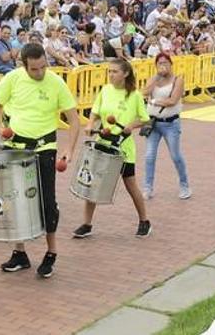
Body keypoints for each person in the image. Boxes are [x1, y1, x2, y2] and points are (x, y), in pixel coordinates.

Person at [0, 43, 80, 277]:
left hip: (45, 147)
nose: (40, 73)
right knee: (14, 199)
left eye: (43, 67)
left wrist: (69, 150)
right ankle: (19, 252)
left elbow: (73, 118)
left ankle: (51, 252)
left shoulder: (56, 83)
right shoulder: (12, 78)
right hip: (16, 146)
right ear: (23, 65)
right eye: (34, 69)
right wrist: (0, 126)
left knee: (47, 202)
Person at [76, 58, 151, 238]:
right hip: (102, 142)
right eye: (109, 71)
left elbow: (145, 119)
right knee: (92, 183)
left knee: (130, 185)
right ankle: (87, 224)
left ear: (125, 74)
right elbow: (95, 111)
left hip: (123, 146)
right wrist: (90, 124)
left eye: (115, 72)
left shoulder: (134, 95)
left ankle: (144, 221)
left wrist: (131, 126)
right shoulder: (105, 90)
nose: (110, 75)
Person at [141, 53, 191, 200]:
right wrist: (156, 78)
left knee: (176, 156)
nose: (162, 66)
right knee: (149, 156)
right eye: (159, 63)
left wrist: (155, 101)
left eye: (165, 63)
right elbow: (144, 93)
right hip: (153, 123)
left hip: (171, 124)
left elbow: (173, 100)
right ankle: (148, 187)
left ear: (171, 64)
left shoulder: (177, 80)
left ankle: (184, 185)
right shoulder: (153, 79)